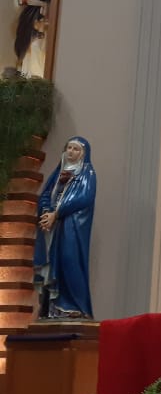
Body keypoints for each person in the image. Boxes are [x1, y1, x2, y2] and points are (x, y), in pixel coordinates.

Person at [33, 136, 96, 319]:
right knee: (51, 264)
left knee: (70, 261)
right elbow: (46, 194)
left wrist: (58, 213)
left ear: (83, 154)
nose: (71, 152)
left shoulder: (87, 173)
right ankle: (51, 308)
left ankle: (74, 306)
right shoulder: (58, 172)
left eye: (76, 149)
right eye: (69, 148)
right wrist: (46, 212)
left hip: (71, 228)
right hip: (52, 229)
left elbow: (83, 198)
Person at [14, 0, 52, 77]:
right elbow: (18, 5)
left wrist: (41, 3)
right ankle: (26, 75)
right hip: (27, 21)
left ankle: (37, 76)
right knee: (26, 47)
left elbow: (55, 5)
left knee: (37, 47)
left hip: (42, 23)